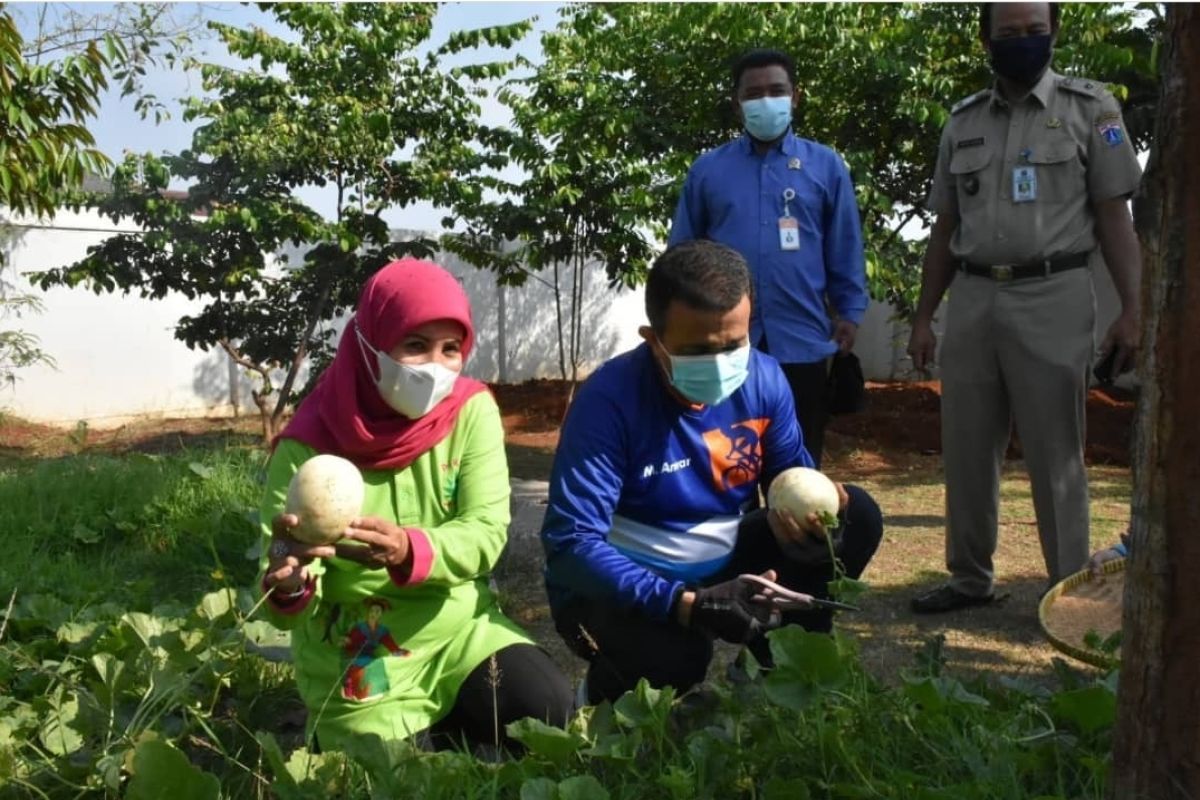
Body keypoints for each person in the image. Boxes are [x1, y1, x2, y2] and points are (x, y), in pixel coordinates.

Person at [540, 240, 883, 705]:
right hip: (632, 579)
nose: (722, 363)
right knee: (678, 659)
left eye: (734, 344)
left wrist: (819, 527)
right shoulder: (608, 401)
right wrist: (684, 604)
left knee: (857, 516)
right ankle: (605, 697)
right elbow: (570, 544)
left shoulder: (765, 378)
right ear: (652, 340)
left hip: (727, 553)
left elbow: (791, 481)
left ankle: (773, 673)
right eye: (699, 349)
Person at [258, 258, 573, 752]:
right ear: (369, 347)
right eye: (415, 346)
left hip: (460, 633)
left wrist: (410, 549)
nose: (435, 366)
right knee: (374, 775)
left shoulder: (470, 412)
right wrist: (288, 585)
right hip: (360, 648)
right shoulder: (307, 447)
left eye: (451, 349)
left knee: (549, 706)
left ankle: (452, 729)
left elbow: (487, 532)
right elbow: (284, 604)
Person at [907, 2, 1143, 613]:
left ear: (1054, 33)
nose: (1023, 42)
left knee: (1056, 449)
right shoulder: (963, 121)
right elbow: (944, 228)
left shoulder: (1092, 110)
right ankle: (968, 579)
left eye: (1035, 31)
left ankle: (1065, 586)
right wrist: (924, 315)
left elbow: (1116, 220)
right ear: (986, 39)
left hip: (1054, 292)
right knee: (965, 446)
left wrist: (1134, 311)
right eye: (1009, 33)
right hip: (975, 294)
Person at [668, 48, 869, 469]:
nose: (765, 101)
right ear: (737, 101)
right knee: (726, 473)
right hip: (725, 350)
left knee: (797, 477)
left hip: (803, 345)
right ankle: (738, 537)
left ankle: (794, 535)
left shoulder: (826, 166)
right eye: (753, 93)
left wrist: (849, 311)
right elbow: (682, 257)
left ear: (795, 96)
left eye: (776, 90)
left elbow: (844, 245)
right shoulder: (707, 171)